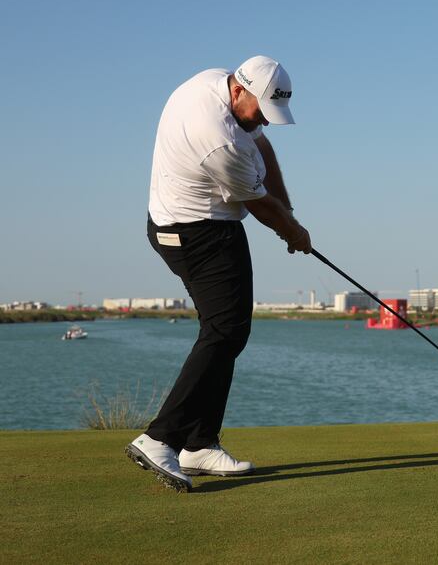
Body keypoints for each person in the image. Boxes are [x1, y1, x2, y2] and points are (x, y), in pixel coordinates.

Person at [126, 55, 312, 493]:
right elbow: (259, 203)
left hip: (193, 223)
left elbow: (264, 147)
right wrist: (294, 231)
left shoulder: (215, 82)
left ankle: (199, 443)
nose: (263, 120)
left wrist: (290, 213)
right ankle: (160, 438)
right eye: (261, 110)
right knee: (225, 331)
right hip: (196, 231)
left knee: (226, 330)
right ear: (239, 91)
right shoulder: (219, 140)